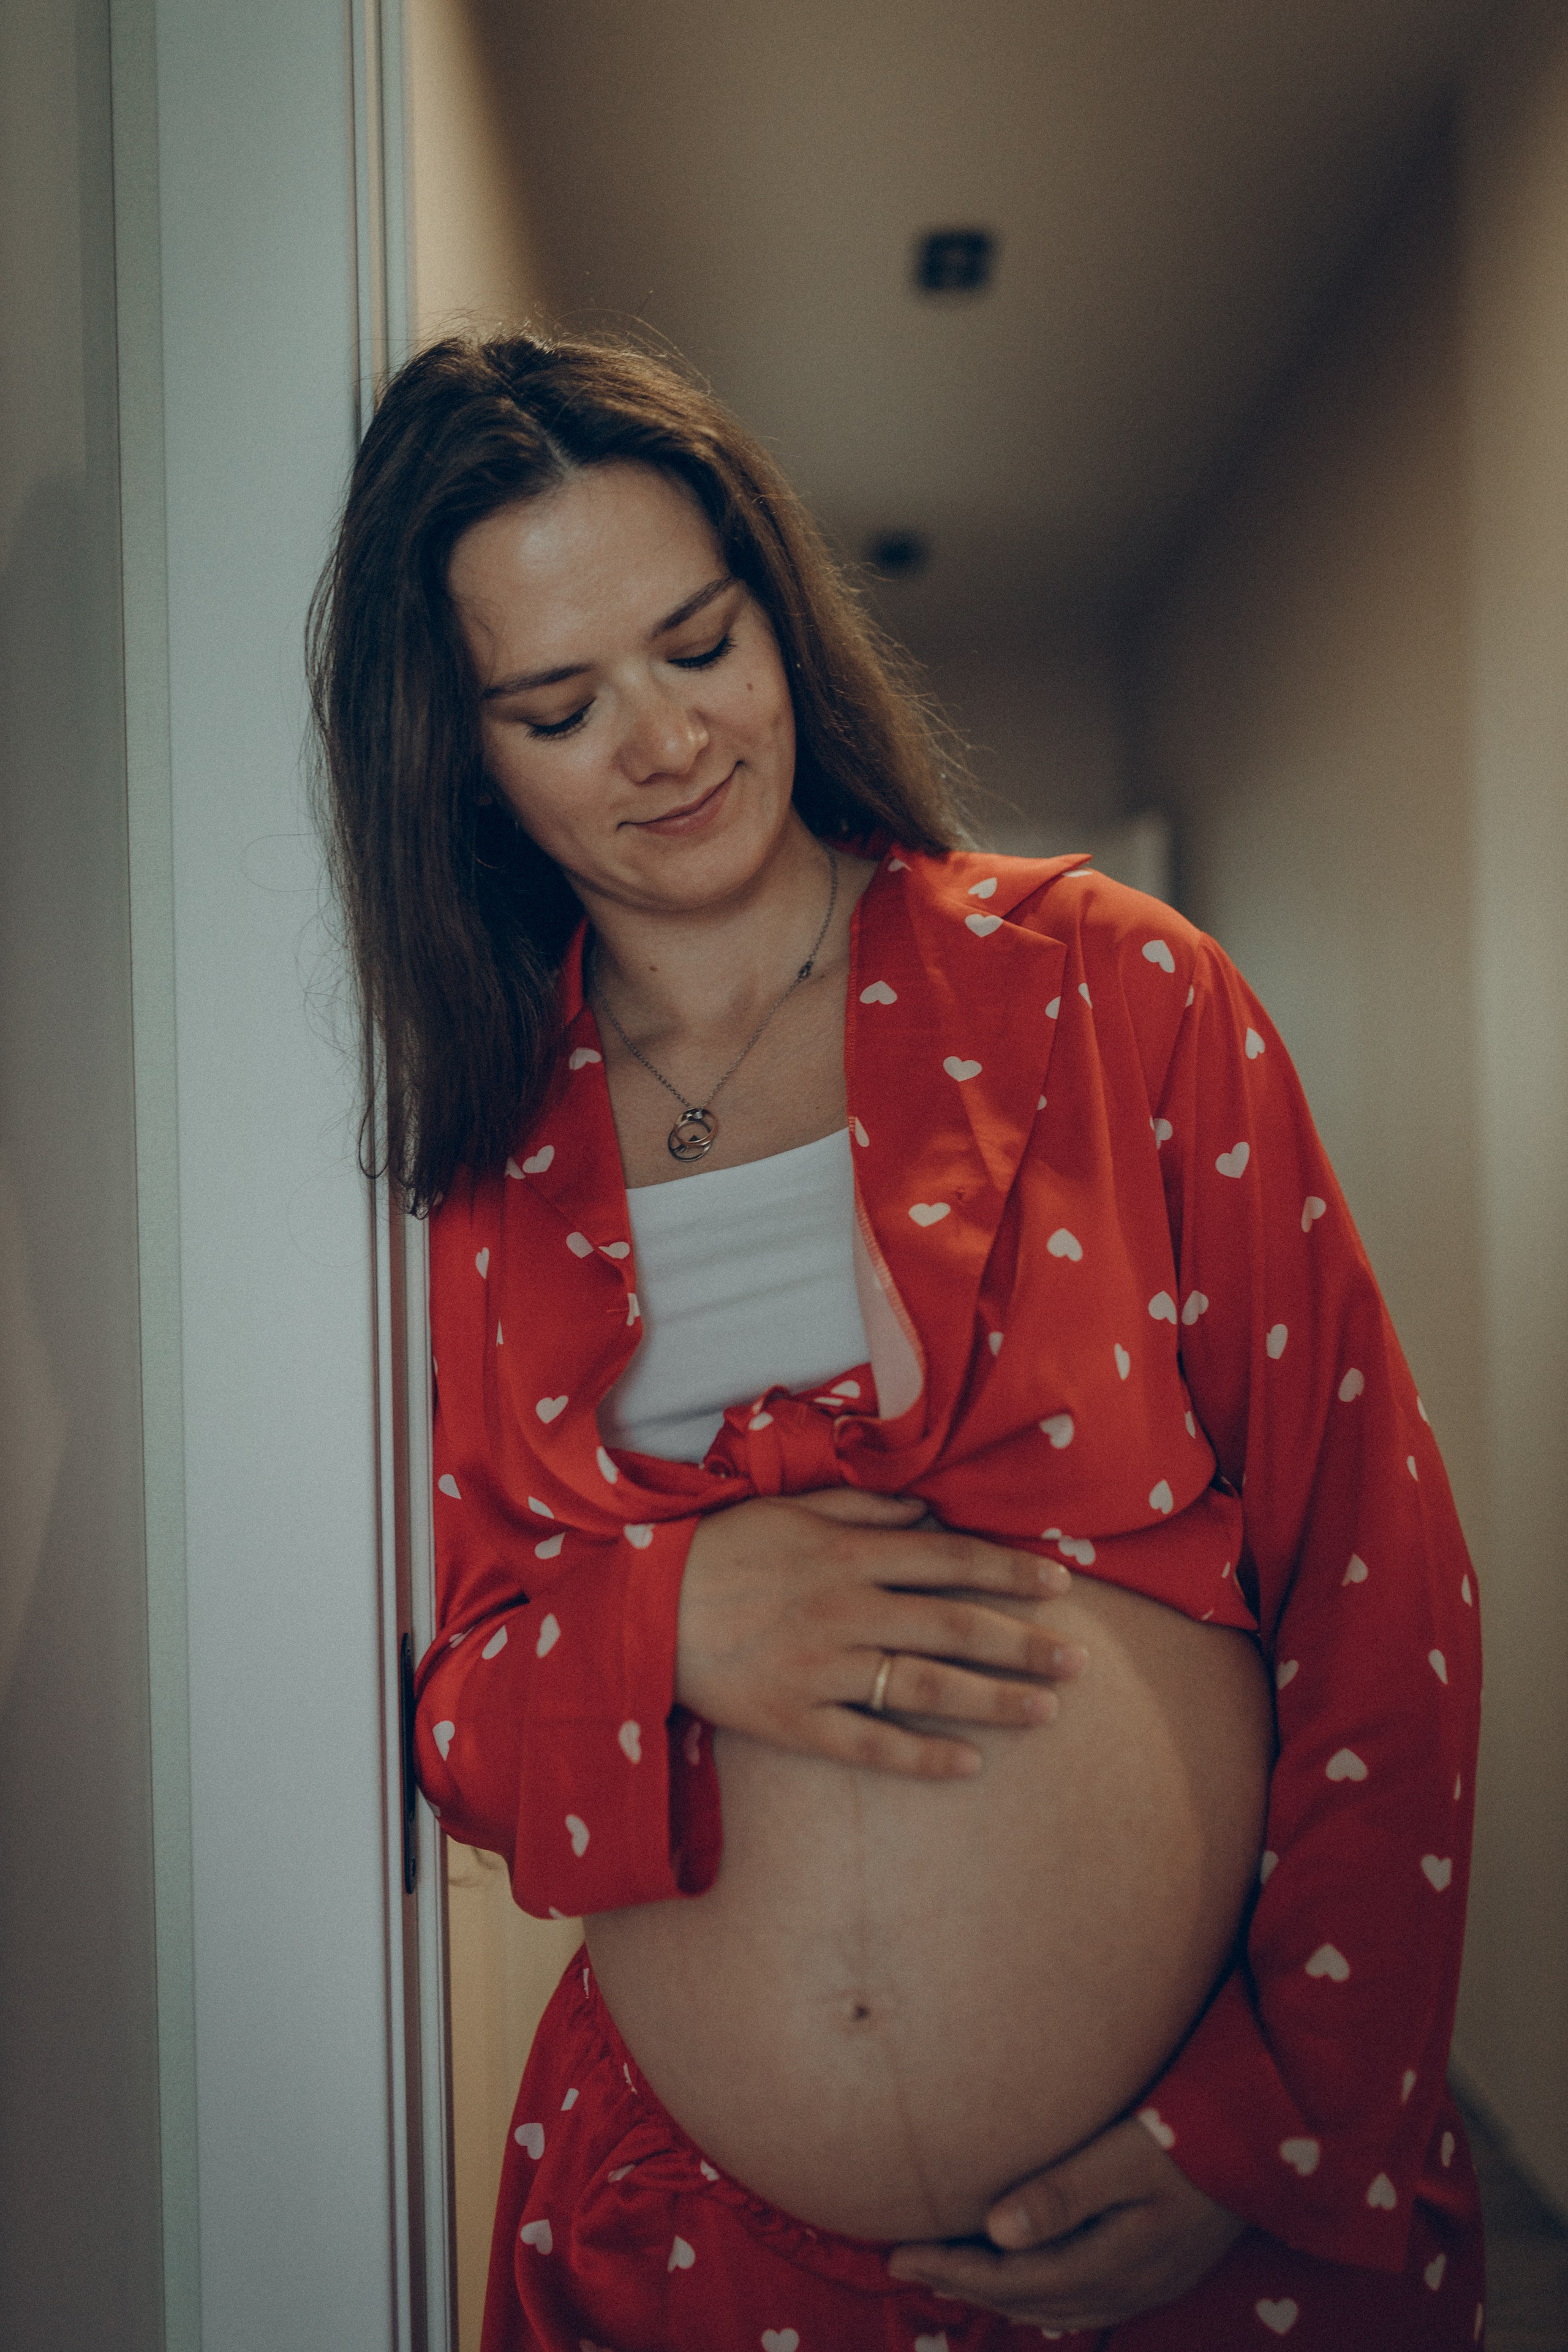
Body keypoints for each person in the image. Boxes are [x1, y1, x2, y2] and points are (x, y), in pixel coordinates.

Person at [309, 331, 1484, 2350]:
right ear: (463, 755)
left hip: (1189, 2208)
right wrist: (663, 1622)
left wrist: (1265, 2128)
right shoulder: (477, 1171)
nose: (665, 740)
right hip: (690, 2248)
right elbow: (454, 1723)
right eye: (560, 704)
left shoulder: (1119, 998)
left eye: (698, 641)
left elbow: (1376, 1585)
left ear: (778, 606)